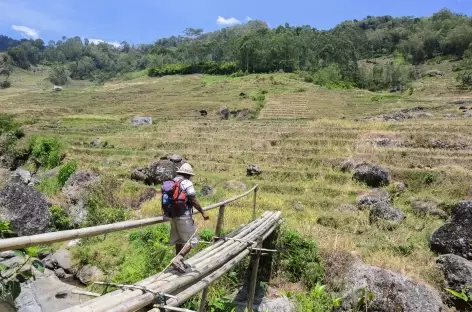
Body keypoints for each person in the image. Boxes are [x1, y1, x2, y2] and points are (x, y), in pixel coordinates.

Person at [167, 163, 209, 273]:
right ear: (188, 175)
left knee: (178, 240)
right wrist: (203, 213)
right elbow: (193, 199)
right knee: (193, 240)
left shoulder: (172, 182)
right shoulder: (187, 182)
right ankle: (179, 258)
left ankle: (179, 262)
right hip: (184, 216)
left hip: (172, 216)